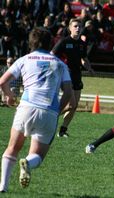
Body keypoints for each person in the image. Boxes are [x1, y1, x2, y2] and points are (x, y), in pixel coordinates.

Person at [0, 27, 72, 193]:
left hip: (26, 107)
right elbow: (68, 93)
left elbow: (2, 81)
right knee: (38, 155)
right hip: (49, 111)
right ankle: (27, 163)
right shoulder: (60, 64)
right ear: (50, 43)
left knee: (12, 147)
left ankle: (2, 186)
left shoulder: (24, 59)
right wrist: (57, 111)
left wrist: (9, 96)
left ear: (30, 42)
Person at [51, 18, 95, 138]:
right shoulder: (64, 41)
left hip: (77, 75)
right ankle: (51, 116)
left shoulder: (82, 43)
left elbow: (84, 59)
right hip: (66, 76)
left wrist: (89, 68)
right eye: (75, 26)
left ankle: (62, 130)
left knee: (74, 106)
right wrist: (58, 67)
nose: (77, 28)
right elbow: (52, 55)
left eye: (79, 26)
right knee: (71, 104)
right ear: (70, 28)